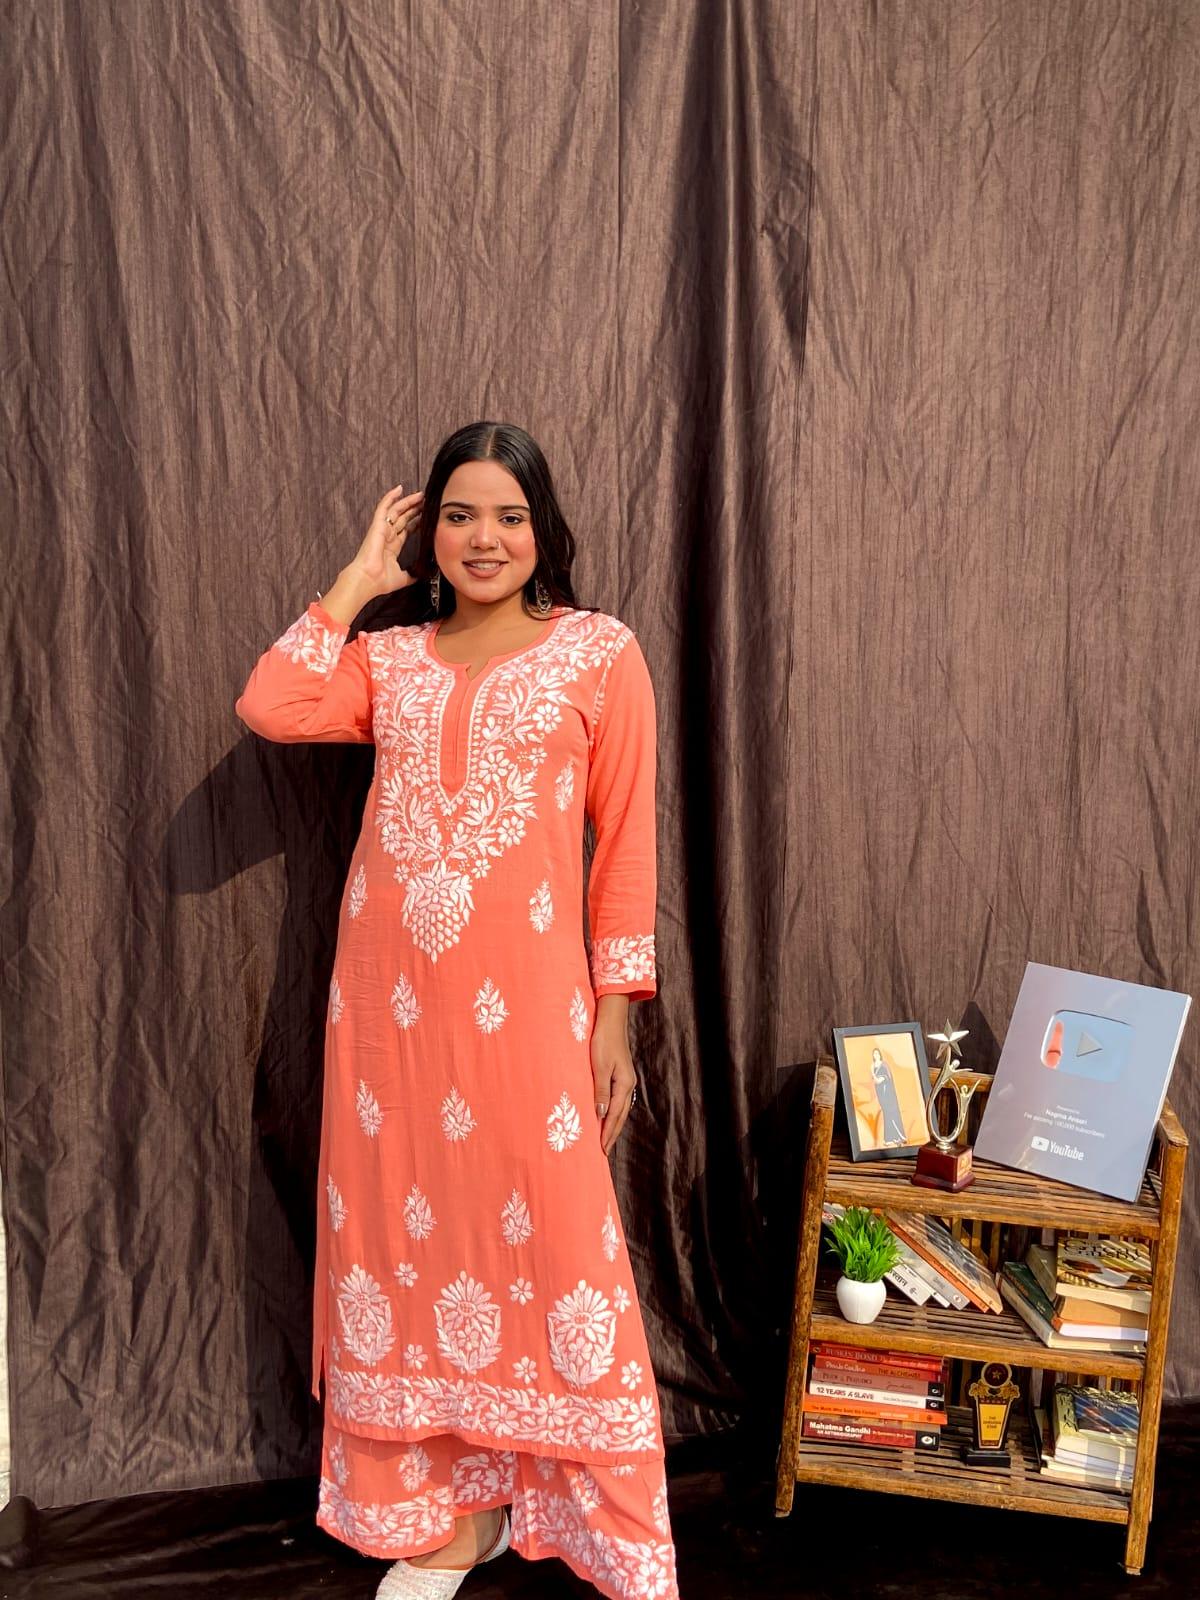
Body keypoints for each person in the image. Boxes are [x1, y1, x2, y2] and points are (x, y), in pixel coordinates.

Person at [235, 421, 679, 1600]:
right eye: (460, 515)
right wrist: (355, 582)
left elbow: (626, 845)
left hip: (531, 1012)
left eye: (510, 516)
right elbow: (273, 702)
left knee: (548, 1237)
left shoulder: (597, 654)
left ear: (543, 530)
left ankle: (596, 1528)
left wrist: (616, 1016)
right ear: (429, 534)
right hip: (389, 1019)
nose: (486, 538)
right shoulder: (389, 660)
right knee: (408, 1242)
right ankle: (448, 1522)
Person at [870, 1047, 907, 1146]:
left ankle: (899, 1137)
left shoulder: (884, 1065)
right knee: (886, 1114)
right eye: (874, 1053)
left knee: (891, 1113)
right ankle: (889, 1139)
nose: (876, 1055)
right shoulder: (873, 1066)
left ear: (880, 1054)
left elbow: (882, 1079)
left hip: (887, 1093)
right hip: (880, 1093)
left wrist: (876, 1077)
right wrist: (873, 1072)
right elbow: (874, 1081)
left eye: (877, 1053)